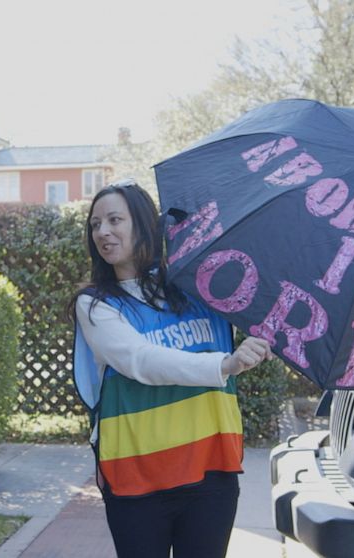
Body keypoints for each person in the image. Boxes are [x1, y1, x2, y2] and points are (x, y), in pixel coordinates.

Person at [70, 180, 271, 558]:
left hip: (212, 467)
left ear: (145, 226)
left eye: (115, 220)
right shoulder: (95, 305)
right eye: (95, 224)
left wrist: (265, 343)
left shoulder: (199, 287)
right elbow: (141, 361)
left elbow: (262, 311)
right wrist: (225, 363)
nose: (103, 232)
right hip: (137, 476)